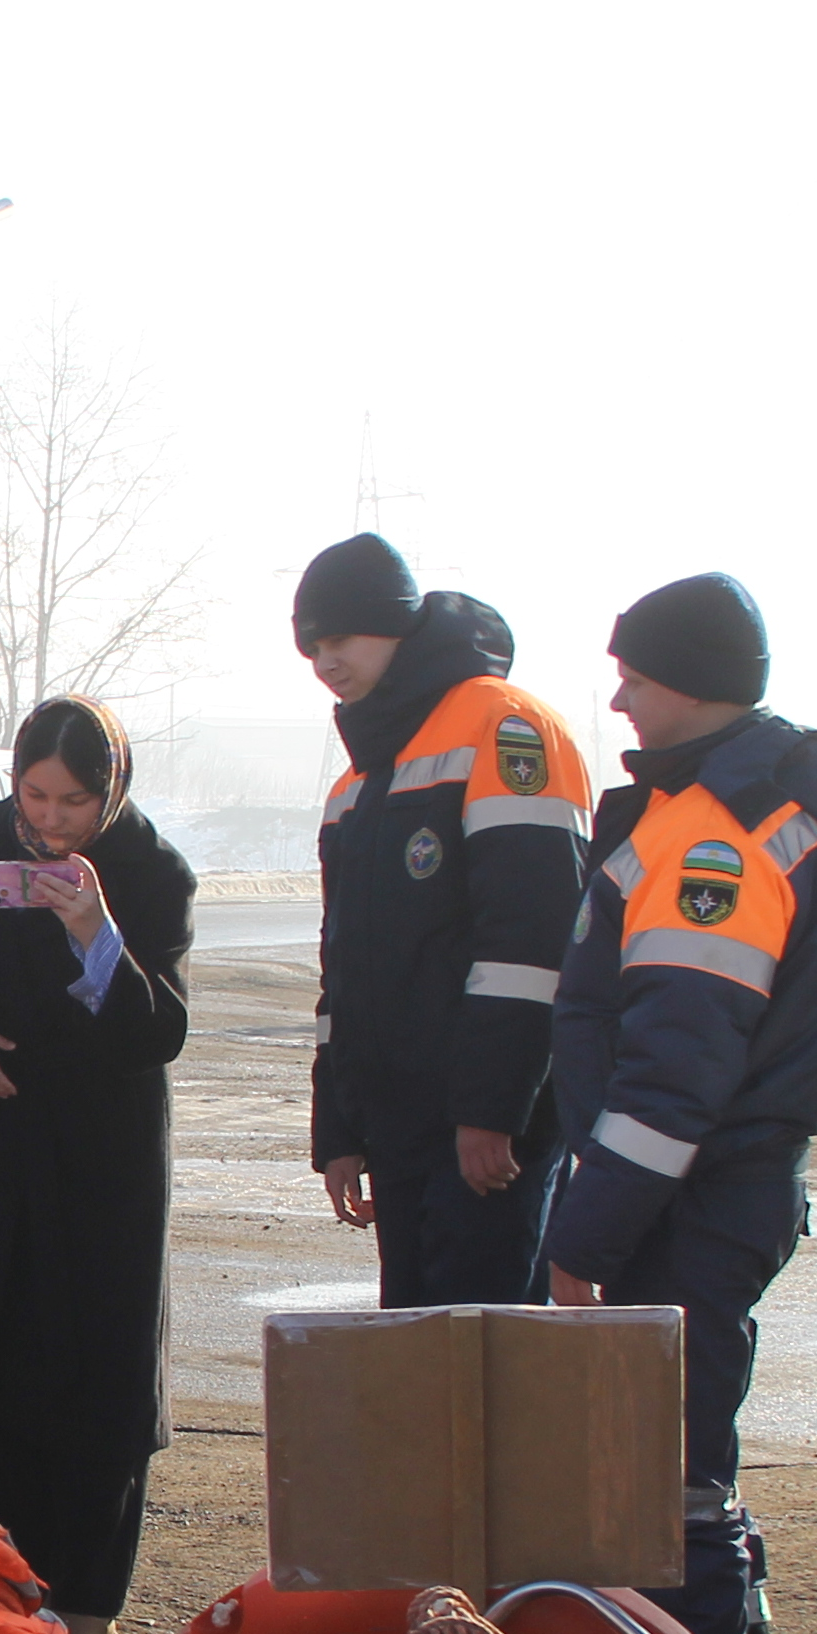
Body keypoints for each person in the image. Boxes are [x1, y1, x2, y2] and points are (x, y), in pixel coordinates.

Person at [541, 571, 817, 1634]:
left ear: (688, 682)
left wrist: (582, 1240)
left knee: (662, 1493)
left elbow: (674, 1080)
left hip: (681, 1209)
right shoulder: (732, 809)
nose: (620, 694)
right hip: (710, 1202)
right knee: (683, 1478)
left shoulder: (717, 841)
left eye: (635, 670)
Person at [0, 694, 194, 1634]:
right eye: (35, 794)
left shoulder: (150, 869)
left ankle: (86, 1608)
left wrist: (94, 935)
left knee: (100, 1373)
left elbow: (163, 1030)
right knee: (2, 1362)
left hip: (104, 1155)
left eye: (75, 800)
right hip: (1, 1136)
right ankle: (6, 1583)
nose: (51, 818)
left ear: (111, 789)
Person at [294, 535, 593, 1303]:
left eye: (341, 638)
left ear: (397, 625)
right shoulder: (357, 784)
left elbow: (532, 941)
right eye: (312, 646)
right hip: (401, 1127)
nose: (326, 662)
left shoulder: (503, 729)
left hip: (486, 1133)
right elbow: (346, 976)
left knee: (493, 1368)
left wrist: (491, 1112)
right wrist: (341, 1131)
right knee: (423, 1367)